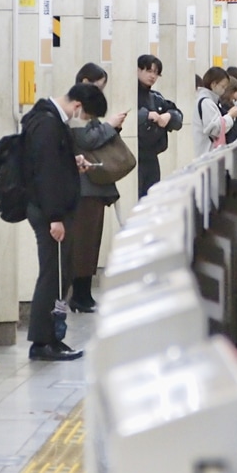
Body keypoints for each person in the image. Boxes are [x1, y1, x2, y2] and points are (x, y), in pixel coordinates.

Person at [22, 83, 104, 361]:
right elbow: (45, 173)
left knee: (61, 274)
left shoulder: (50, 120)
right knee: (53, 276)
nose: (83, 121)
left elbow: (52, 163)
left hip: (53, 210)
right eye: (87, 117)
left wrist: (73, 161)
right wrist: (55, 218)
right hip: (50, 213)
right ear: (77, 105)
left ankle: (53, 338)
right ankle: (43, 341)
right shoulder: (47, 124)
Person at [68, 63, 127, 314]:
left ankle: (84, 294)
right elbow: (86, 139)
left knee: (91, 244)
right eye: (97, 86)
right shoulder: (76, 109)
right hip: (84, 189)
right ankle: (79, 296)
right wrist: (110, 125)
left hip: (93, 188)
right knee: (83, 244)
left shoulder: (85, 109)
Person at [137, 54, 183, 196]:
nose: (152, 76)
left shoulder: (156, 97)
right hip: (135, 156)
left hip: (152, 156)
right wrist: (146, 115)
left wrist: (168, 116)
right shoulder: (129, 94)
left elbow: (178, 116)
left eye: (156, 73)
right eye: (149, 71)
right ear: (138, 70)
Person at [193, 66, 237, 158]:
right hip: (207, 154)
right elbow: (215, 129)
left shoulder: (211, 101)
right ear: (214, 84)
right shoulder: (206, 102)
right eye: (223, 86)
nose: (224, 90)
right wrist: (230, 116)